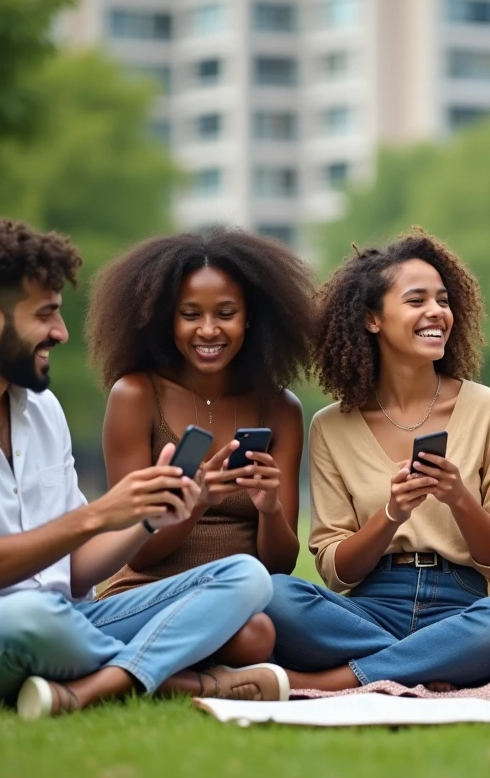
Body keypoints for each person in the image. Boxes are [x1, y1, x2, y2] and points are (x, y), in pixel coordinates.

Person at [0, 219, 289, 721]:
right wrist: (102, 513)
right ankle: (180, 681)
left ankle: (102, 683)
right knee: (33, 620)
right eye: (46, 316)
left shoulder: (40, 410)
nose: (61, 333)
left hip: (69, 619)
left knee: (246, 577)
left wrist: (149, 518)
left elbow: (77, 568)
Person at [263, 229, 490, 691]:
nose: (437, 312)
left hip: (463, 603)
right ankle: (430, 662)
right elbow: (335, 570)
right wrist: (391, 515)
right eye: (416, 301)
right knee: (272, 594)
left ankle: (338, 679)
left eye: (443, 300)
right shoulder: (331, 426)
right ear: (372, 319)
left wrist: (459, 499)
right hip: (368, 606)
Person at [84, 227, 316, 672]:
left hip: (243, 598)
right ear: (166, 319)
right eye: (190, 314)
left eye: (225, 313)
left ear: (250, 318)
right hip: (150, 591)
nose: (208, 330)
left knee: (256, 634)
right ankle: (178, 673)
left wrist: (268, 508)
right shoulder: (136, 395)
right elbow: (136, 553)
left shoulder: (281, 409)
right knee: (255, 640)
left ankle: (142, 670)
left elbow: (281, 565)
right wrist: (196, 501)